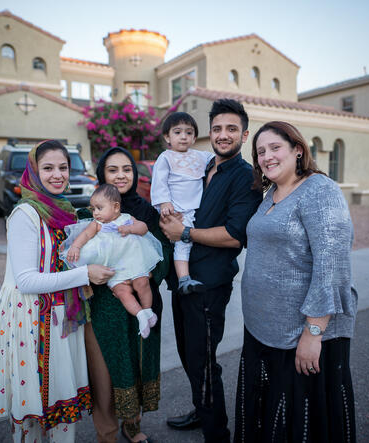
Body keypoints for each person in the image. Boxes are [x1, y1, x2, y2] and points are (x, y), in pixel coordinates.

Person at [235, 121, 357, 442]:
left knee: (299, 424)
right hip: (262, 330)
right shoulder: (271, 194)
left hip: (299, 335)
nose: (267, 157)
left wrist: (313, 332)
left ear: (298, 150)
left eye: (275, 148)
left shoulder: (320, 190)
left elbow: (332, 266)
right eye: (260, 151)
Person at [0, 140, 115, 442]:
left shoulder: (66, 211)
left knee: (62, 403)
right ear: (33, 171)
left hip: (62, 315)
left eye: (63, 168)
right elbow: (27, 281)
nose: (57, 175)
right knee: (33, 408)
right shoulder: (26, 215)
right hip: (31, 319)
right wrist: (85, 274)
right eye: (48, 168)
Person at [160, 99, 262, 442]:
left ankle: (217, 433)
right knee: (190, 354)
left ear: (244, 135)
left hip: (209, 283)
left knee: (203, 360)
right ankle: (202, 410)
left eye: (231, 128)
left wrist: (184, 233)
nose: (223, 134)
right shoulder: (204, 167)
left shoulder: (246, 177)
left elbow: (235, 236)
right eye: (217, 128)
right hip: (182, 277)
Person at [82, 147, 172, 443]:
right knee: (105, 372)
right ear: (101, 175)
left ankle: (132, 425)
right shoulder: (92, 211)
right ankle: (106, 433)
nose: (121, 175)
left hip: (143, 300)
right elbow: (81, 254)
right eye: (112, 170)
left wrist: (150, 276)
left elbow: (165, 251)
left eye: (127, 169)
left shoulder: (146, 212)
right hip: (105, 304)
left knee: (138, 365)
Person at [62, 184, 162, 338]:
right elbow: (85, 236)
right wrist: (75, 246)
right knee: (122, 292)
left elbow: (143, 228)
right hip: (114, 269)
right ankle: (140, 314)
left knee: (142, 283)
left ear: (116, 207)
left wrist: (130, 229)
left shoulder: (127, 218)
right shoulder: (96, 225)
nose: (95, 213)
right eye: (93, 209)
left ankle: (148, 310)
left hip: (133, 263)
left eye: (99, 208)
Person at [150, 111, 214, 294]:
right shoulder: (166, 157)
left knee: (195, 241)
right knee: (183, 243)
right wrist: (164, 203)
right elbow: (159, 182)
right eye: (177, 132)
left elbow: (218, 160)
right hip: (177, 209)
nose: (183, 137)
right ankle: (183, 278)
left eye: (188, 132)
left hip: (197, 208)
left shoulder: (201, 156)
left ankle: (188, 276)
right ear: (167, 137)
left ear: (194, 137)